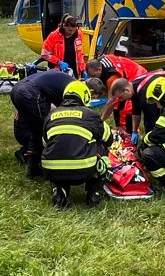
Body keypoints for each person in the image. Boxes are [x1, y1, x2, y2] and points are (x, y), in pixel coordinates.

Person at [41, 79, 112, 207]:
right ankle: (94, 191)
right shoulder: (91, 115)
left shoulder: (51, 115)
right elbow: (109, 139)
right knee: (101, 146)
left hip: (51, 169)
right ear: (85, 96)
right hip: (83, 170)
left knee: (57, 149)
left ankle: (59, 189)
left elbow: (45, 143)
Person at [9, 64, 74, 176]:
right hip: (29, 97)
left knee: (34, 124)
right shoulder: (67, 89)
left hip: (17, 91)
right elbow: (60, 111)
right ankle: (33, 166)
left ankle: (25, 152)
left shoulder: (50, 83)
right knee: (41, 130)